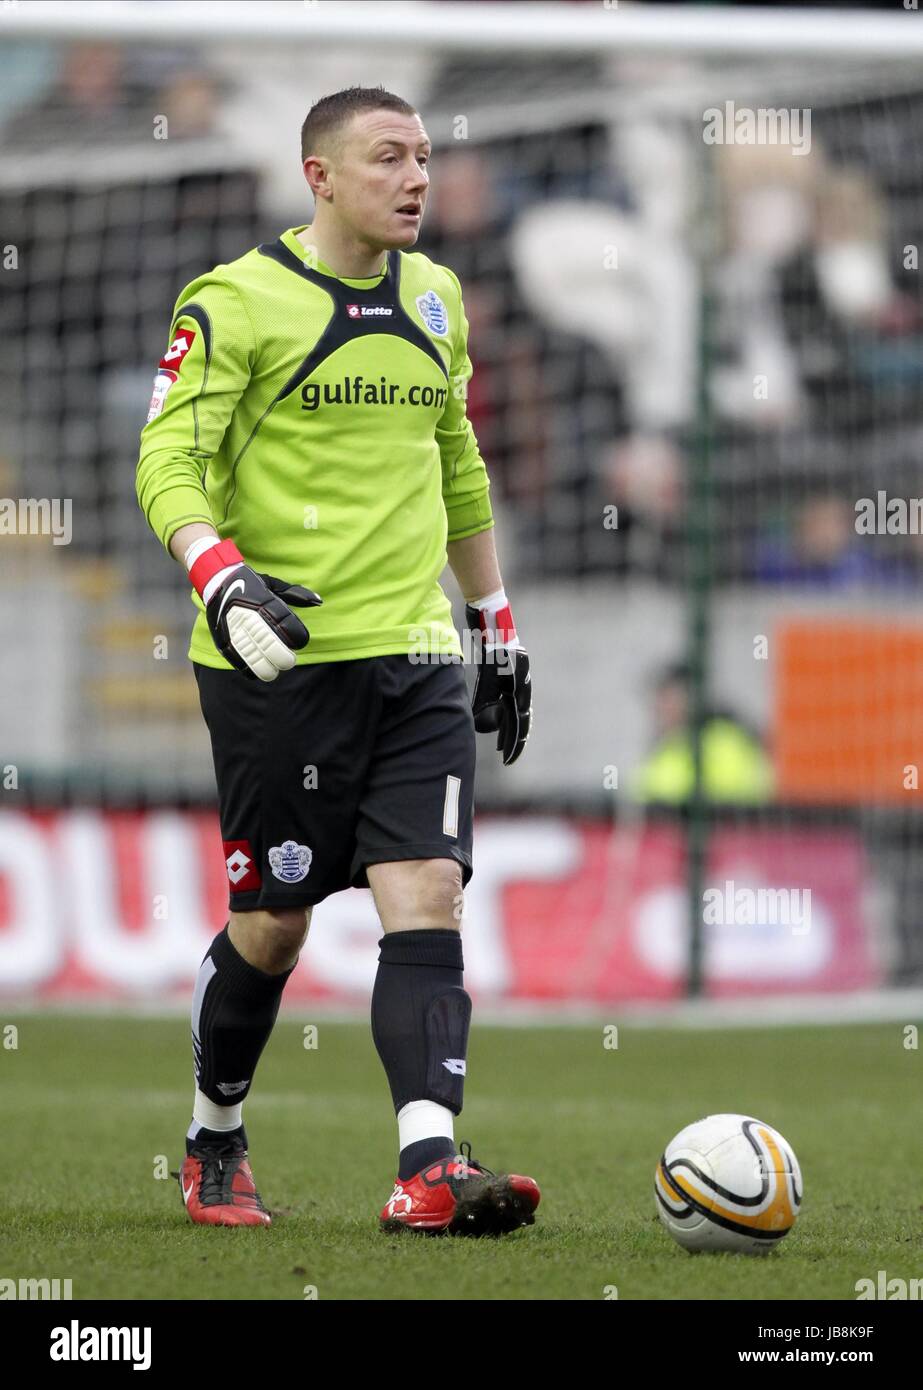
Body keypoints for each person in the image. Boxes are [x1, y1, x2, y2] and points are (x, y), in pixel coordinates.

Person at [136, 86, 537, 1236]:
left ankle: (428, 1167)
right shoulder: (235, 302)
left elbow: (455, 464)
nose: (414, 178)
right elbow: (166, 460)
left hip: (413, 659)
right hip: (278, 657)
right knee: (276, 921)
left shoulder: (437, 296)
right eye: (384, 158)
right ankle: (214, 1133)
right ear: (318, 176)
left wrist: (492, 618)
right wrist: (219, 572)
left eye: (422, 157)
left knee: (430, 894)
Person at [631, 662, 773, 805]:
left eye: (667, 698)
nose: (658, 707)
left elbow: (732, 804)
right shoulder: (665, 749)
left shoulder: (724, 743)